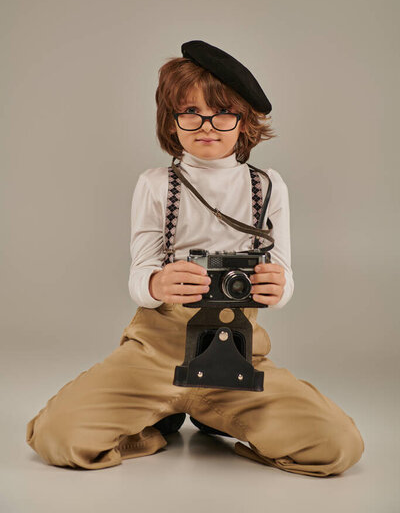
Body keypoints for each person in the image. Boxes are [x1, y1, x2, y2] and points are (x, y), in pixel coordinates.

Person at [26, 40, 364, 476]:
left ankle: (214, 414)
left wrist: (278, 287)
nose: (207, 125)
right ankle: (157, 420)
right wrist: (156, 285)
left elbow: (284, 275)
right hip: (155, 353)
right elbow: (140, 272)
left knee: (339, 447)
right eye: (189, 112)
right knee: (57, 437)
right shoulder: (154, 184)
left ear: (245, 122)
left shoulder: (269, 185)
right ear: (172, 120)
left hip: (240, 357)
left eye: (223, 112)